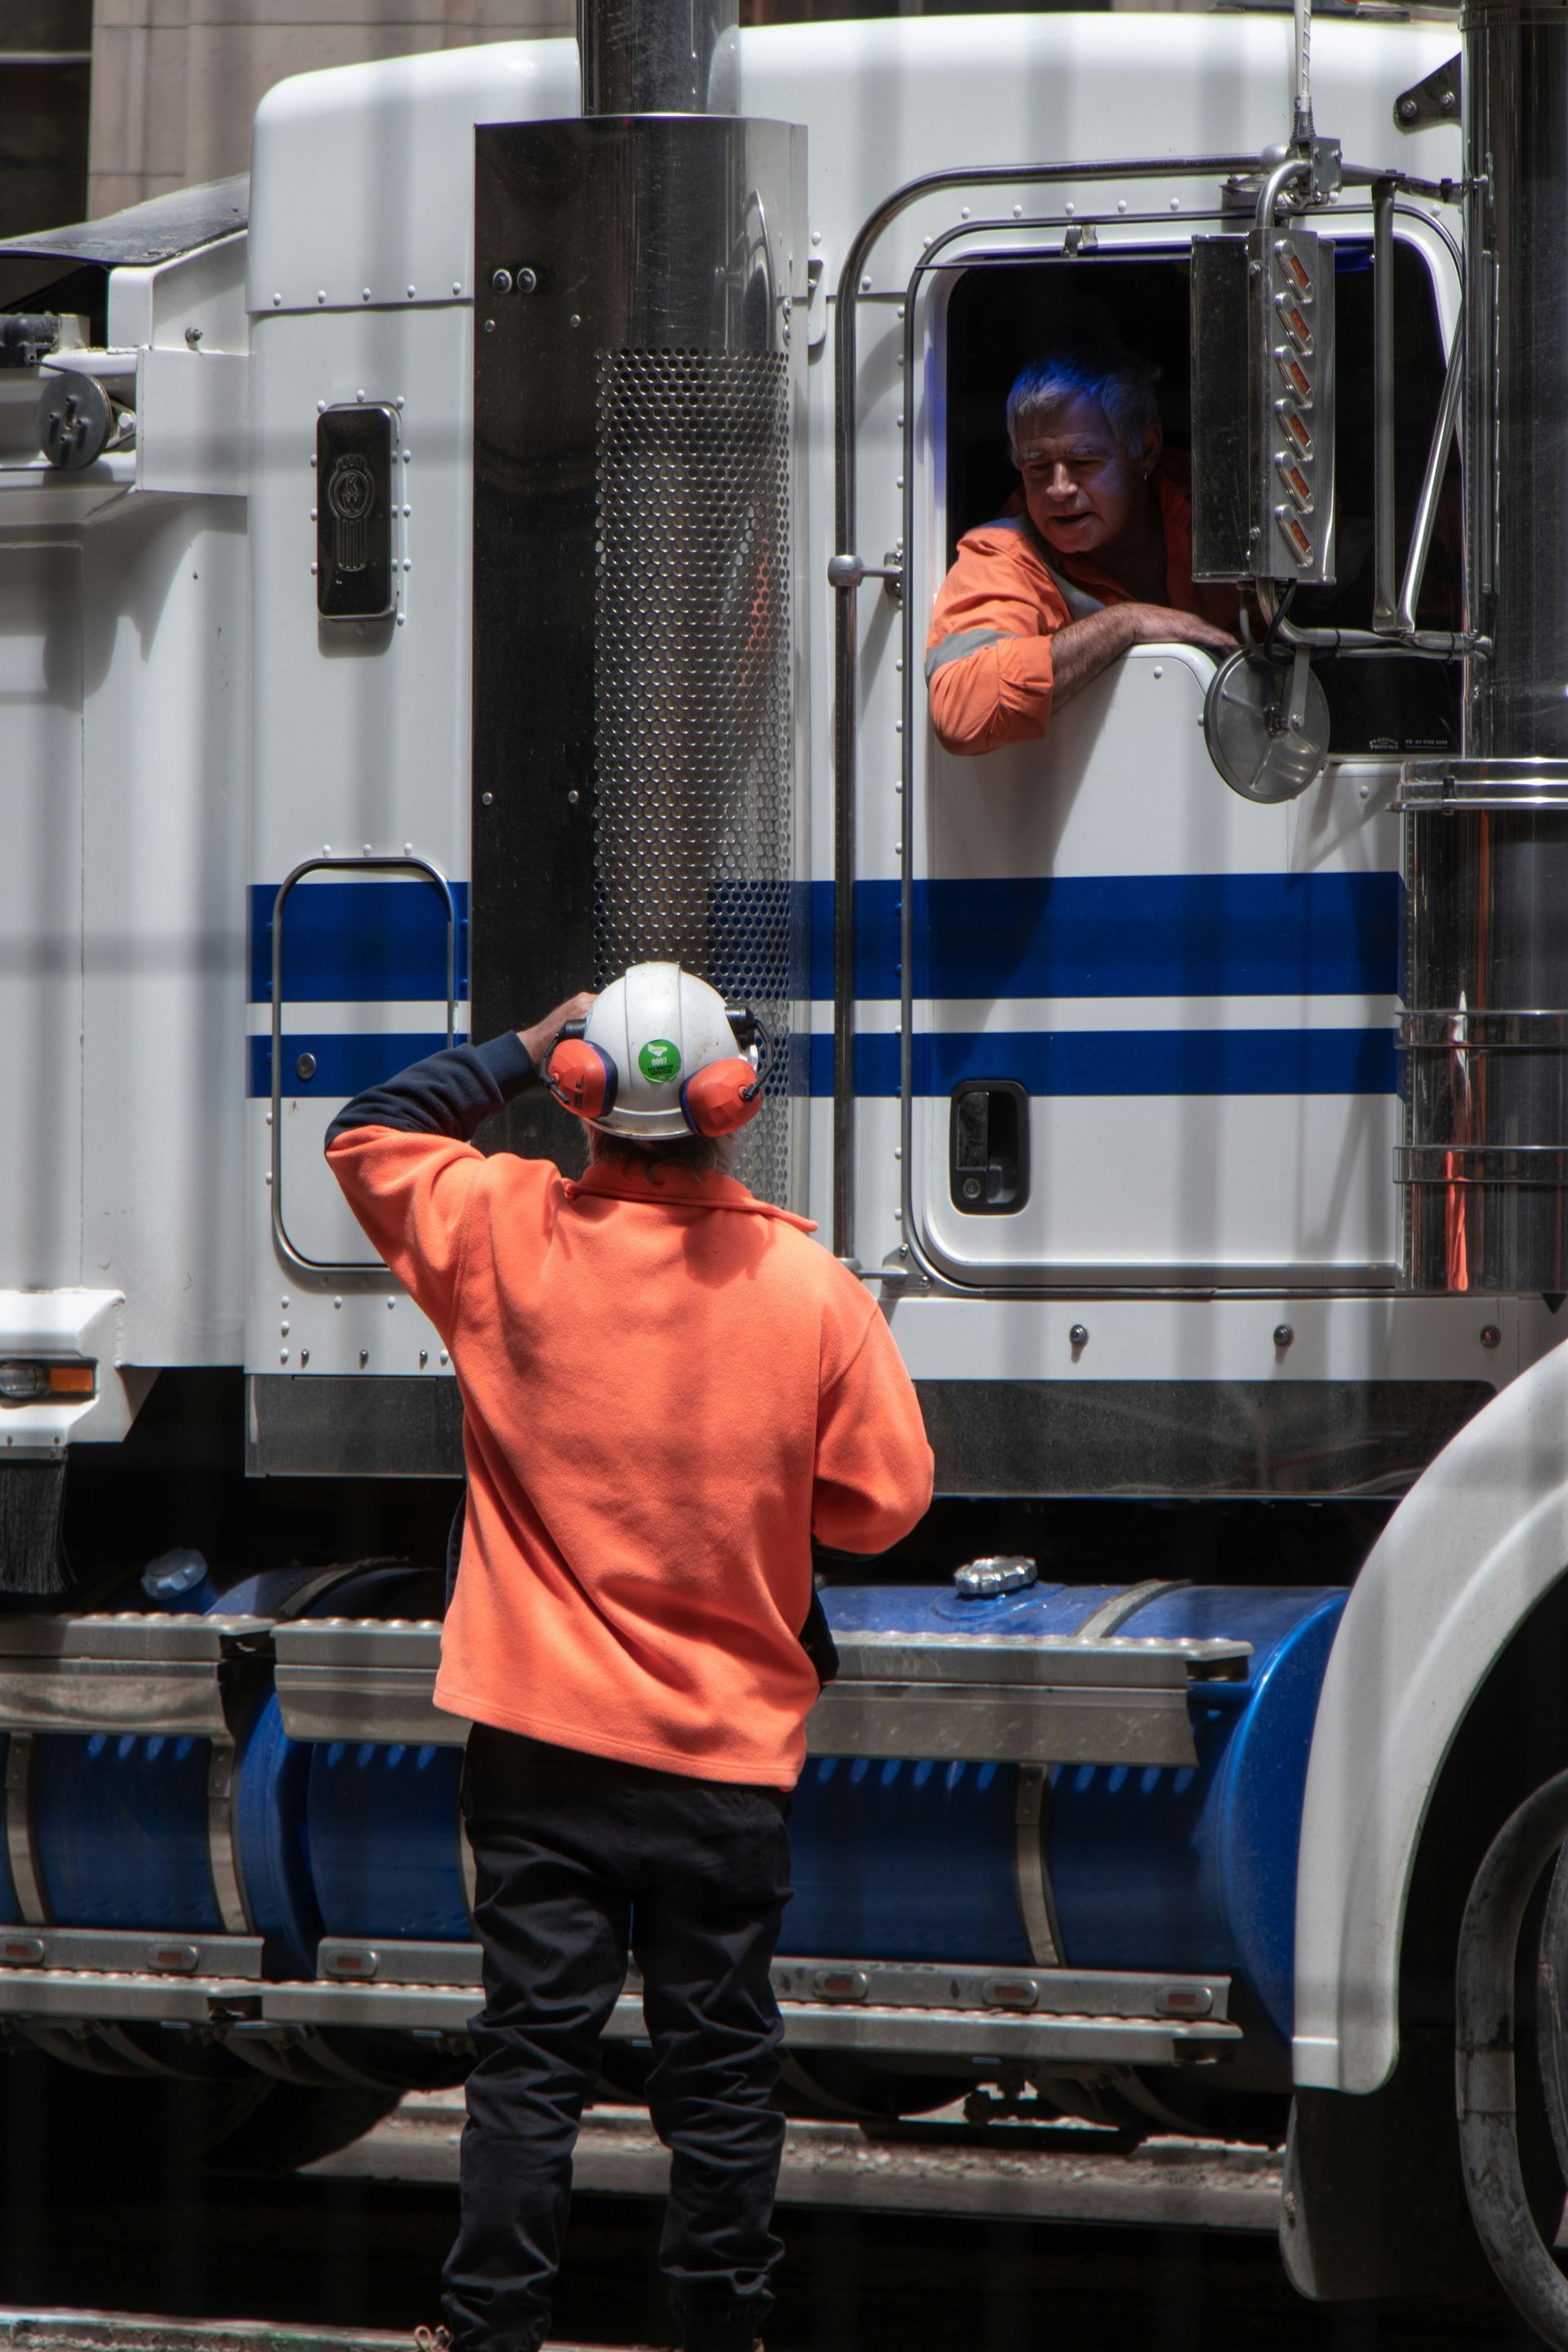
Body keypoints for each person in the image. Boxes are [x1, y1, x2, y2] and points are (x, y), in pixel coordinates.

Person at [324, 960, 934, 2352]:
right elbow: (887, 1503)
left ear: (581, 1094)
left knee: (529, 2054)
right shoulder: (808, 1286)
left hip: (536, 1745)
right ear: (735, 1103)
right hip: (724, 1758)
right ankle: (721, 2328)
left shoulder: (497, 1230)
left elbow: (365, 1130)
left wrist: (524, 1047)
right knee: (721, 2068)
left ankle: (492, 2330)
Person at [926, 341, 1241, 755]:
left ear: (1145, 451)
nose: (1059, 488)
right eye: (1037, 467)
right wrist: (1124, 624)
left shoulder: (1229, 510)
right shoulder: (1003, 553)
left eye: (1084, 463)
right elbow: (961, 711)